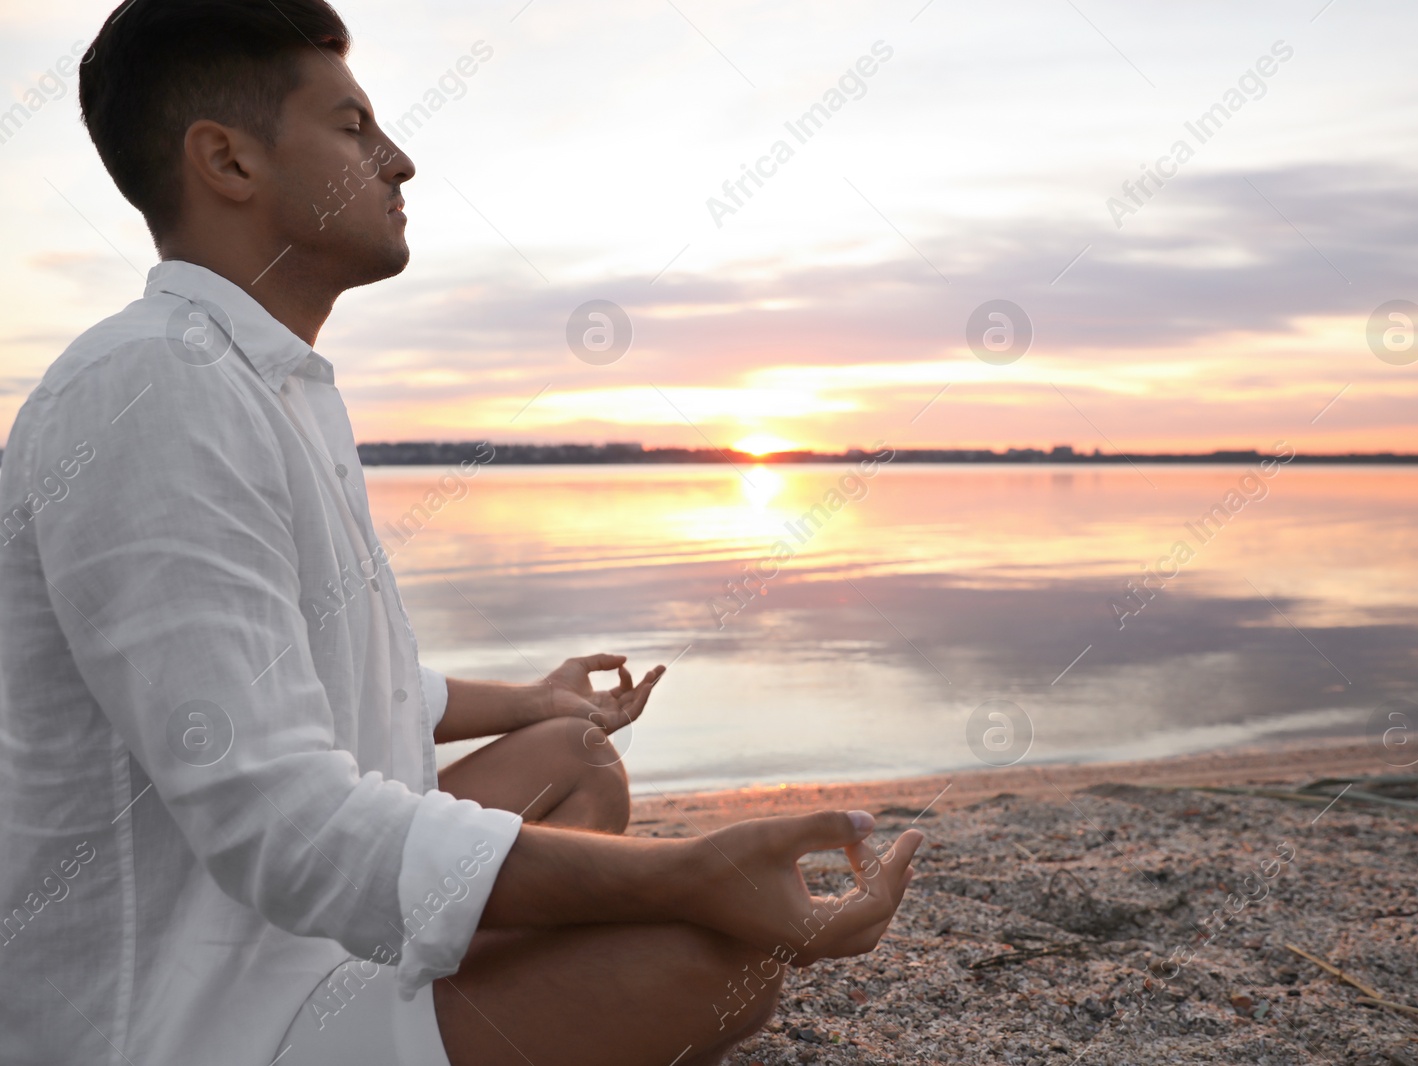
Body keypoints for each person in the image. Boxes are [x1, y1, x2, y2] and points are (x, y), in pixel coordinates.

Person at [0, 2, 923, 1063]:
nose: (400, 161)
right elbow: (284, 824)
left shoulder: (277, 385)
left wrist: (540, 699)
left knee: (572, 757)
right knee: (710, 956)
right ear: (227, 161)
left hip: (303, 942)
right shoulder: (148, 390)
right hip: (189, 1014)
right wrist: (687, 869)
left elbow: (343, 684)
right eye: (352, 127)